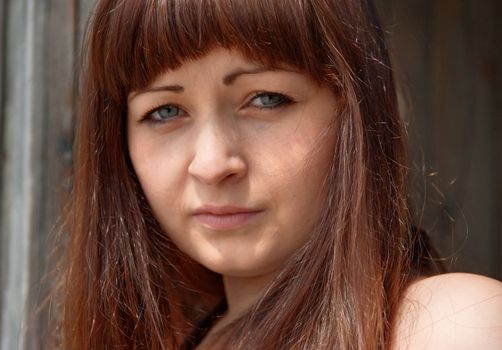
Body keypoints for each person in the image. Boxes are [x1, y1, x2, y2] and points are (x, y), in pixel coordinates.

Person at [55, 0, 502, 348]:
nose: (212, 165)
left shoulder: (448, 326)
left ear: (353, 113)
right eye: (165, 111)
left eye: (266, 99)